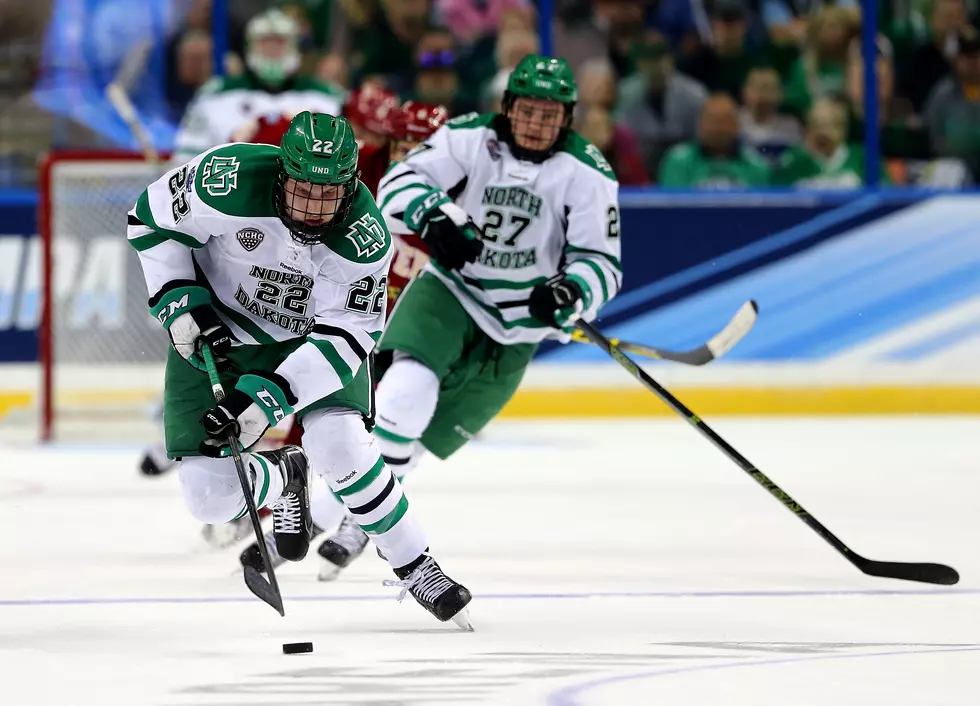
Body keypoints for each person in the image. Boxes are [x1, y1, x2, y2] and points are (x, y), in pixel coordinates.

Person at [127, 111, 472, 628]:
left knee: (340, 447)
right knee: (208, 498)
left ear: (352, 184)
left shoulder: (364, 239)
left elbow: (348, 338)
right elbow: (151, 221)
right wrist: (178, 300)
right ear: (282, 171)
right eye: (303, 189)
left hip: (313, 345)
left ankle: (414, 564)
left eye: (329, 194)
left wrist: (270, 398)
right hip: (220, 336)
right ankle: (284, 479)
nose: (313, 209)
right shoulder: (226, 178)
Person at [311, 54, 623, 582]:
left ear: (567, 118)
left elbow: (603, 263)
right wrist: (436, 215)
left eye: (550, 115)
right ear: (507, 107)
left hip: (519, 327)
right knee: (404, 395)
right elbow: (400, 182)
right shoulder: (468, 137)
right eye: (527, 111)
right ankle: (346, 520)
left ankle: (350, 517)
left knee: (425, 435)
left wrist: (572, 288)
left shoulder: (588, 172)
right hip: (454, 292)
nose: (537, 124)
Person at [237, 100, 451, 576]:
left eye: (425, 149)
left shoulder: (457, 208)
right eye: (405, 146)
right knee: (311, 417)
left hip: (407, 334)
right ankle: (288, 508)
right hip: (341, 321)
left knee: (396, 418)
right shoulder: (354, 185)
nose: (413, 157)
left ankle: (357, 521)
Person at [171, 9, 344, 164]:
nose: (272, 52)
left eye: (279, 44)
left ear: (295, 48)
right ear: (250, 47)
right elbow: (186, 158)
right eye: (266, 44)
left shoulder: (327, 97)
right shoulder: (215, 95)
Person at [658, 93, 770, 187]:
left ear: (737, 126)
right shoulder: (678, 162)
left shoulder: (757, 166)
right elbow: (673, 208)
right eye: (712, 122)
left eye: (724, 122)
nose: (718, 129)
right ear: (700, 125)